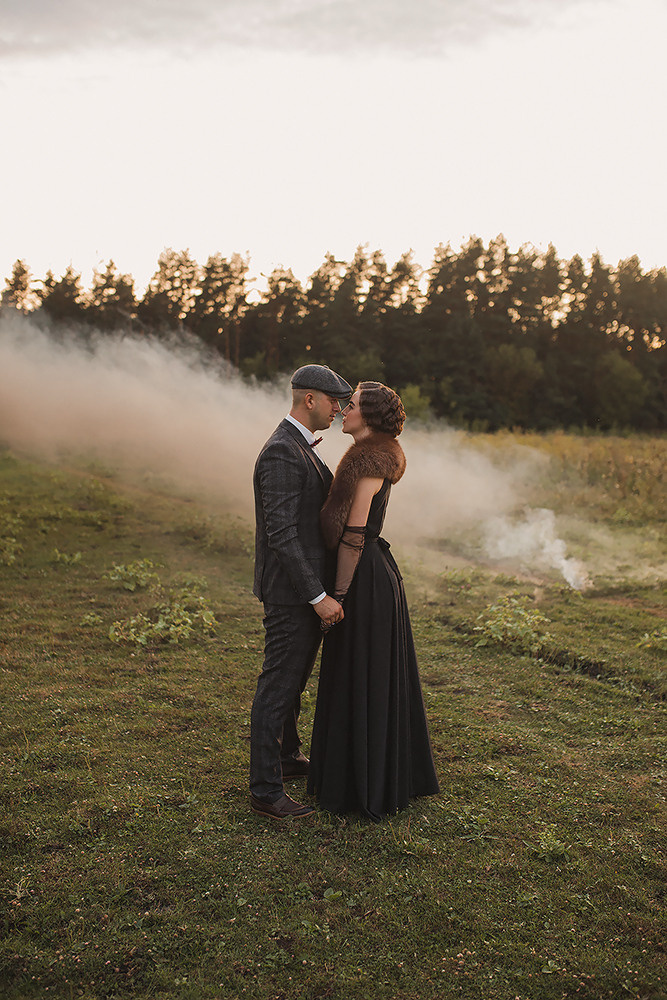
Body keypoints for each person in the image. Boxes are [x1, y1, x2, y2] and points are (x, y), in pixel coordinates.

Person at [307, 381, 439, 821]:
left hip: (363, 578)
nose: (345, 409)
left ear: (371, 416)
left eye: (354, 404)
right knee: (358, 672)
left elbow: (354, 534)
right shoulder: (371, 453)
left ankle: (360, 784)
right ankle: (353, 773)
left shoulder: (369, 460)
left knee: (361, 672)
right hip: (373, 574)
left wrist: (336, 596)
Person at [250, 363, 353, 820]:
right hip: (291, 592)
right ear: (309, 399)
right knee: (277, 686)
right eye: (334, 401)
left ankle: (289, 758)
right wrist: (317, 596)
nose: (339, 409)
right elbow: (282, 535)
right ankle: (265, 791)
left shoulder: (301, 448)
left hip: (301, 590)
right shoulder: (281, 453)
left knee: (292, 686)